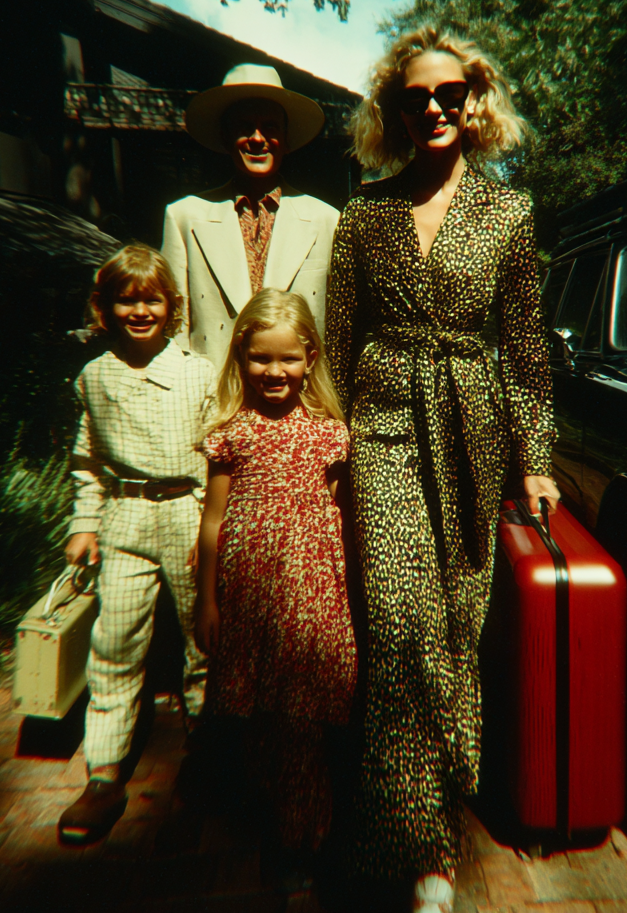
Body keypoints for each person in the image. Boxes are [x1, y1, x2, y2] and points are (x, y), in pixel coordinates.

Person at [325, 28, 558, 911]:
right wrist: (331, 444)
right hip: (382, 423)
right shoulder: (364, 214)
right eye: (415, 96)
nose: (434, 107)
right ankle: (420, 853)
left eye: (449, 94)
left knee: (458, 625)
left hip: (472, 428)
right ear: (393, 111)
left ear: (474, 101)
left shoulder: (510, 212)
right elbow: (337, 340)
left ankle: (444, 795)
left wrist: (536, 460)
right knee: (398, 626)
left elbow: (526, 349)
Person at [194, 288, 358, 886]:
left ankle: (302, 840)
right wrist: (206, 599)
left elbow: (338, 517)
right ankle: (277, 818)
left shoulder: (329, 435)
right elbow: (213, 521)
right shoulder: (231, 433)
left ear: (310, 359)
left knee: (300, 718)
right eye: (260, 358)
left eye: (288, 358)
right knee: (261, 718)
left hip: (309, 592)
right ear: (241, 357)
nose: (274, 371)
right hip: (248, 591)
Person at [57, 243, 216, 846]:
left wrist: (215, 528)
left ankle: (207, 753)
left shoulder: (197, 372)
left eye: (151, 300)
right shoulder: (95, 377)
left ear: (171, 306)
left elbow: (218, 458)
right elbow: (87, 462)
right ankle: (103, 774)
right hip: (124, 519)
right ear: (105, 308)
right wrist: (84, 524)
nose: (140, 311)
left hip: (187, 515)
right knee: (115, 642)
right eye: (126, 300)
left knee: (204, 640)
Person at [163, 64, 341, 373]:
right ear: (225, 137)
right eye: (244, 127)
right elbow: (175, 323)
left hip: (295, 394)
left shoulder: (326, 220)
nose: (257, 138)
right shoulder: (184, 217)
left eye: (270, 127)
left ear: (286, 138)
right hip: (212, 389)